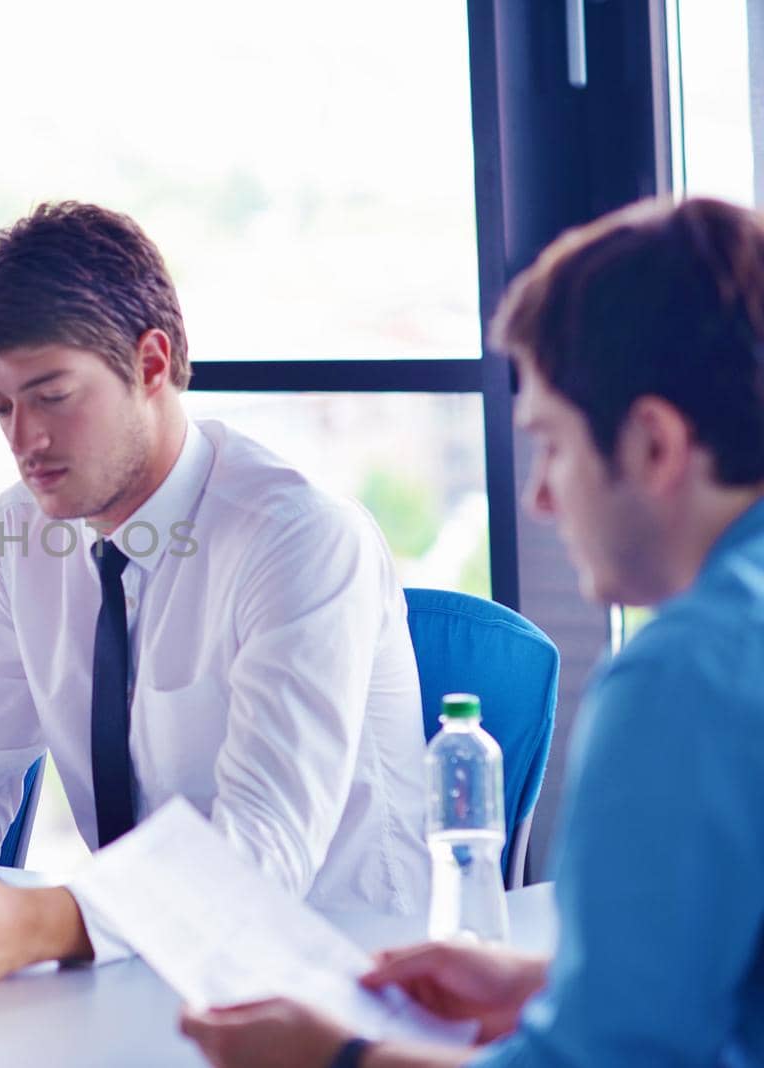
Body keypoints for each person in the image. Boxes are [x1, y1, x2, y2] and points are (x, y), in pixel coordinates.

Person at [0, 202, 432, 987]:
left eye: (53, 395)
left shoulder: (298, 538)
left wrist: (40, 922)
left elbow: (263, 850)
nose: (23, 440)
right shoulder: (19, 532)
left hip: (332, 976)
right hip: (132, 962)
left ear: (151, 364)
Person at [178, 196, 764, 1067]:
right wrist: (549, 983)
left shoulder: (683, 677)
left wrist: (335, 1058)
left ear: (652, 445)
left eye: (553, 444)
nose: (538, 496)